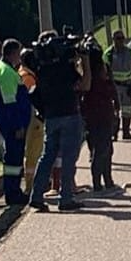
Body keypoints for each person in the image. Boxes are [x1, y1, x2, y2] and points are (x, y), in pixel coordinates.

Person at [28, 33, 92, 212]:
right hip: (70, 114)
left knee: (47, 156)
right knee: (69, 158)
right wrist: (84, 60)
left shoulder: (41, 68)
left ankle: (37, 196)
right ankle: (66, 199)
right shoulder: (66, 67)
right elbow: (85, 85)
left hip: (51, 116)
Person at [0, 39, 31, 206]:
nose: (19, 58)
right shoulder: (6, 73)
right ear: (12, 53)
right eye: (18, 53)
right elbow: (10, 104)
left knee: (12, 158)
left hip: (6, 120)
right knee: (14, 159)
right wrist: (18, 126)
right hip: (12, 123)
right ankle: (13, 193)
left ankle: (13, 190)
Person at [81, 40, 120, 194]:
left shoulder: (85, 71)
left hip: (92, 115)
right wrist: (116, 105)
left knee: (100, 148)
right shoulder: (97, 72)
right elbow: (110, 88)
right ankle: (101, 182)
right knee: (103, 149)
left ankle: (105, 181)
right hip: (101, 114)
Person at [104, 30, 131, 140]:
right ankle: (114, 133)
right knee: (114, 111)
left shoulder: (130, 51)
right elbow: (104, 70)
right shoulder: (108, 53)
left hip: (127, 85)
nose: (120, 41)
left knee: (127, 111)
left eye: (122, 38)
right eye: (118, 38)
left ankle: (126, 132)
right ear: (113, 40)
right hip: (114, 86)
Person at [18, 48, 43, 196]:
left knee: (31, 154)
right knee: (34, 154)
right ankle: (31, 187)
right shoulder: (28, 78)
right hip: (33, 121)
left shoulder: (21, 74)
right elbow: (34, 99)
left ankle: (31, 185)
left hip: (27, 120)